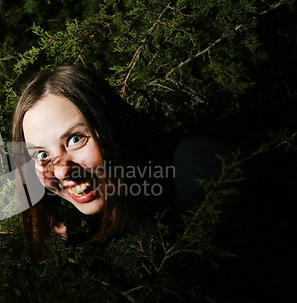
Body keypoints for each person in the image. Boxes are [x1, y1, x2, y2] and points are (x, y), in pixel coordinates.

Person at [12, 65, 228, 258]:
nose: (61, 172)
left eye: (75, 139)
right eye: (42, 155)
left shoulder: (197, 166)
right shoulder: (94, 223)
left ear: (110, 125)